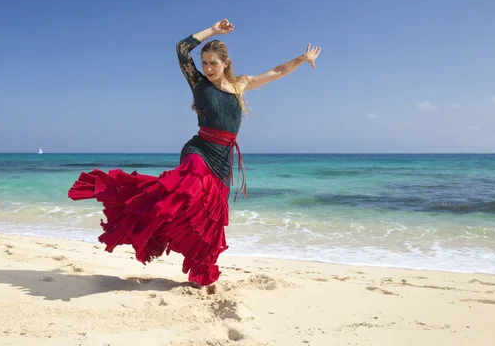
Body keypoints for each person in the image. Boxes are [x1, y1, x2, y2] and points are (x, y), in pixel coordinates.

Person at [68, 19, 321, 287]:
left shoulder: (240, 85)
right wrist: (213, 30)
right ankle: (136, 213)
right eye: (204, 63)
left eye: (213, 63)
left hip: (223, 158)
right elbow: (181, 48)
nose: (208, 68)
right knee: (185, 186)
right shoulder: (199, 84)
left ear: (226, 63)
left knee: (211, 216)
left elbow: (276, 71)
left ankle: (202, 273)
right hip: (199, 150)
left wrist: (303, 58)